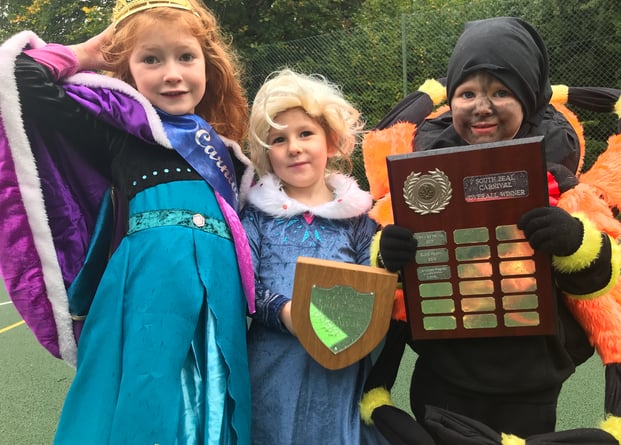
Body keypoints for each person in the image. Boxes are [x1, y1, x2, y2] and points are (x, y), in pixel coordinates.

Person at [359, 16, 621, 444]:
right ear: (451, 101)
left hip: (527, 385)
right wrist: (386, 253)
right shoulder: (421, 175)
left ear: (529, 101)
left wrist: (574, 242)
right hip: (440, 375)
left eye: (501, 92)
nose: (481, 106)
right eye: (466, 93)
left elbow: (604, 278)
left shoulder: (560, 182)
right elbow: (387, 281)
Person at [0, 0, 257, 443]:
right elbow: (20, 80)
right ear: (128, 71)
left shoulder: (225, 151)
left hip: (219, 290)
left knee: (219, 390)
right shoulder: (117, 128)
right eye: (151, 59)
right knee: (142, 388)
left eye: (185, 56)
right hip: (145, 284)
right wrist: (88, 53)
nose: (172, 73)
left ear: (208, 65)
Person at [240, 68, 387, 444]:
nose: (294, 147)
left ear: (331, 141)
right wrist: (288, 313)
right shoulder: (256, 213)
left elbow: (371, 281)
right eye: (278, 139)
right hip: (272, 359)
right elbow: (245, 282)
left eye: (306, 133)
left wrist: (344, 320)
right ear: (265, 152)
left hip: (339, 358)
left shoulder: (359, 216)